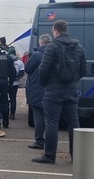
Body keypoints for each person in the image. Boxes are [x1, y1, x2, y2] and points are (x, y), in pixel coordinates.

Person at [33, 19, 86, 164]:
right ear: (66, 30)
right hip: (71, 90)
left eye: (53, 30)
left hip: (53, 91)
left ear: (56, 31)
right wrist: (73, 81)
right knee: (73, 122)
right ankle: (76, 156)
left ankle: (50, 156)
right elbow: (83, 70)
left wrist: (45, 84)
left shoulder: (52, 47)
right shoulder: (79, 47)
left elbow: (43, 69)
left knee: (51, 123)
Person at [24, 34, 51, 150]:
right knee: (51, 118)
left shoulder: (37, 55)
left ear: (41, 42)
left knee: (39, 116)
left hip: (37, 88)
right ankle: (51, 142)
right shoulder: (55, 53)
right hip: (51, 89)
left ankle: (39, 141)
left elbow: (27, 69)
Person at [0, 38, 15, 128]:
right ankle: (6, 122)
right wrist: (11, 83)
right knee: (5, 102)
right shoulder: (7, 57)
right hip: (4, 82)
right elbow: (13, 71)